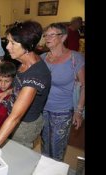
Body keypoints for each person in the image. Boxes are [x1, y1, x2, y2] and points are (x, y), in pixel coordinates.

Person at [0, 21, 51, 152]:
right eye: (8, 41)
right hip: (15, 120)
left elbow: (15, 117)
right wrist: (9, 91)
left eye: (13, 43)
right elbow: (21, 85)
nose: (8, 47)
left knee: (18, 156)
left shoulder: (35, 75)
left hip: (24, 125)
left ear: (27, 46)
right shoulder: (25, 61)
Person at [40, 22, 85, 161]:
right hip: (43, 110)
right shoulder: (42, 58)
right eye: (46, 34)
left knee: (56, 149)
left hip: (63, 111)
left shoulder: (75, 58)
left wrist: (78, 111)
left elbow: (84, 85)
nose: (47, 38)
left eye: (52, 35)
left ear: (63, 37)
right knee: (44, 147)